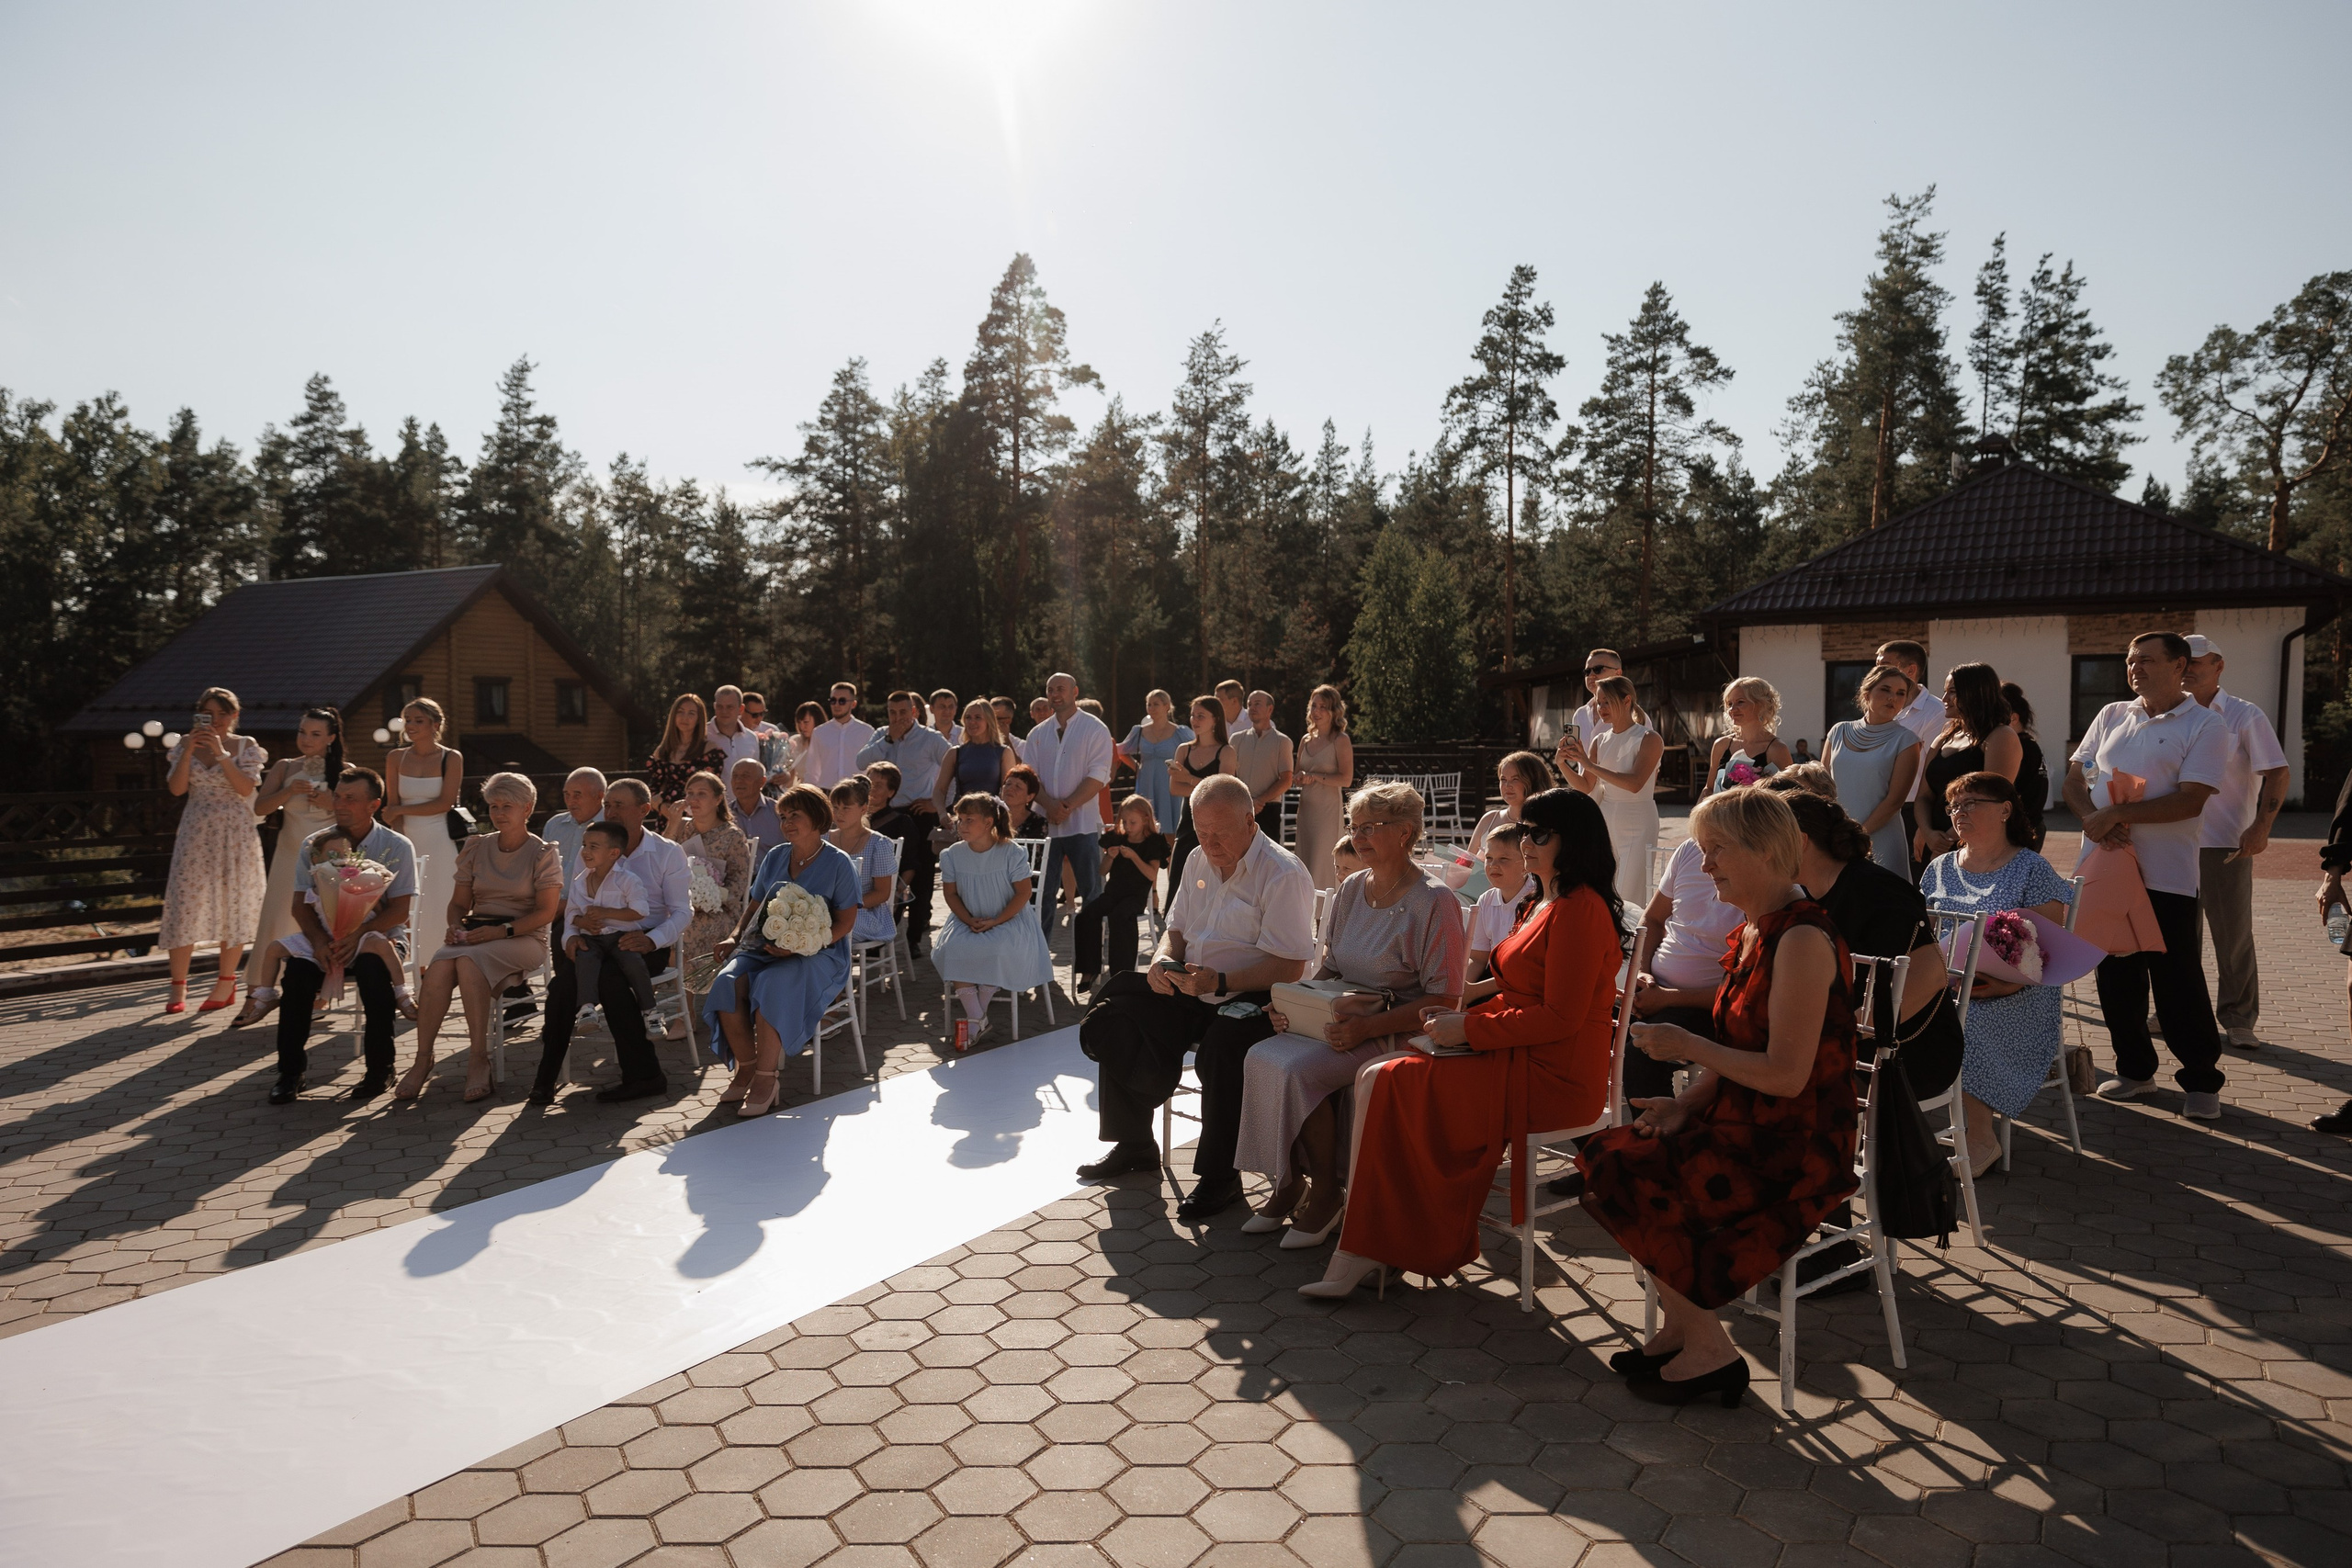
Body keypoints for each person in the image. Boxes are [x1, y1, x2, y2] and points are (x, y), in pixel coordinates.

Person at [1575, 787, 1860, 1406]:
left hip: (1797, 1143)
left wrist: (1688, 1046)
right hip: (1746, 1119)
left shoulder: (1802, 939)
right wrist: (1685, 1105)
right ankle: (1684, 1329)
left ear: (1767, 850)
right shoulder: (1755, 930)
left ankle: (1711, 1350)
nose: (1705, 867)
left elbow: (1787, 1075)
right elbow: (1742, 1051)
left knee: (1634, 1174)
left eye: (1718, 850)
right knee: (1607, 1155)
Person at [1300, 787, 1617, 1298]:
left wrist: (1467, 1029)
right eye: (1525, 830)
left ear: (1574, 840)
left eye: (1540, 834)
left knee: (1387, 1080)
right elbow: (1516, 994)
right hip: (1513, 1051)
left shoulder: (1580, 908)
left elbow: (1561, 1018)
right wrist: (1456, 1021)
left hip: (1552, 1074)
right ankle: (1372, 1239)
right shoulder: (1543, 900)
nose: (1526, 843)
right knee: (1379, 1077)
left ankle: (1374, 1244)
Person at [1076, 774, 1316, 1219]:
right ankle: (1135, 1143)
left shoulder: (1282, 872)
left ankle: (1221, 1178)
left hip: (1256, 995)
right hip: (1193, 984)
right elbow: (1177, 930)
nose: (1210, 843)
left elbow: (1290, 966)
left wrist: (1220, 981)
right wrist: (1162, 962)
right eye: (1201, 831)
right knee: (1118, 1011)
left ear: (1250, 821)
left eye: (1220, 833)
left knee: (1222, 1050)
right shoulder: (1196, 858)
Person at [1244, 782, 1468, 1248]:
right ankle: (1289, 1182)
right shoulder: (1350, 887)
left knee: (1297, 1069)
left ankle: (1328, 1193)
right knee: (1260, 1054)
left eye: (1370, 827)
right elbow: (1331, 966)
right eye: (1354, 826)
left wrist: (1368, 1027)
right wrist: (1293, 1003)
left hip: (1397, 1030)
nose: (1357, 837)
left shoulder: (1435, 901)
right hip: (1339, 1021)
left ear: (1405, 833)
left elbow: (1445, 1000)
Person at [2067, 632, 2230, 1118]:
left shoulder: (2206, 724)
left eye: (2147, 660)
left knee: (2177, 979)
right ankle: (2135, 1071)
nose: (2134, 668)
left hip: (2166, 876)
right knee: (2116, 975)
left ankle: (2201, 1081)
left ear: (2179, 665)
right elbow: (2075, 780)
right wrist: (2094, 820)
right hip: (2105, 867)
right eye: (2130, 660)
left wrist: (2117, 816)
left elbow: (2191, 799)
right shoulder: (2112, 714)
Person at [1768, 781, 1962, 1102]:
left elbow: (1930, 976)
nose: (1761, 854)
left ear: (1800, 841)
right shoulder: (1804, 893)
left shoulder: (1875, 890)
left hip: (1905, 1053)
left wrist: (1838, 1035)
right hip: (1849, 1044)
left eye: (1765, 843)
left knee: (1772, 1094)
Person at [1920, 773, 2075, 1175]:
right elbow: (1920, 934)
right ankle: (1904, 1128)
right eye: (1954, 806)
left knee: (1963, 1024)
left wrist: (2001, 985)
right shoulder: (1939, 867)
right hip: (1944, 983)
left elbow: (2046, 949)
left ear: (2005, 810)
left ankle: (1981, 1140)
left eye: (1971, 803)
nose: (1959, 812)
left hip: (2016, 993)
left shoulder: (2031, 868)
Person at [527, 778, 690, 1106]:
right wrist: (572, 936)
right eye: (607, 805)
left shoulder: (666, 852)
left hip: (642, 942)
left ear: (644, 810)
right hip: (596, 941)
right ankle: (546, 1079)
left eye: (619, 805)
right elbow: (574, 906)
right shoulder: (591, 848)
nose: (610, 811)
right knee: (562, 987)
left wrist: (652, 940)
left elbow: (682, 912)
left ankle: (644, 1077)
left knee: (610, 982)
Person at [402, 773, 565, 1102]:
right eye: (493, 806)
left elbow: (546, 913)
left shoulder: (542, 852)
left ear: (527, 809)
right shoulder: (477, 847)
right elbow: (458, 905)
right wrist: (454, 925)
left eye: (507, 806)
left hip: (524, 937)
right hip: (477, 933)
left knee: (467, 960)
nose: (499, 813)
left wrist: (501, 931)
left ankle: (479, 1058)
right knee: (439, 965)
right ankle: (422, 1059)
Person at [703, 784, 863, 1116]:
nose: (787, 823)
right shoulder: (776, 855)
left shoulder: (839, 863)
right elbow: (754, 907)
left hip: (819, 953)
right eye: (783, 817)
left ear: (817, 818)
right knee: (726, 982)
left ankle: (766, 1077)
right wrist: (734, 937)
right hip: (763, 946)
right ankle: (747, 1066)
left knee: (772, 984)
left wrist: (804, 944)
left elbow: (846, 922)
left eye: (795, 816)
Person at [268, 769, 419, 1104]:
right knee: (297, 973)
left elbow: (400, 911)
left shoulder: (396, 845)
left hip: (379, 939)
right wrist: (320, 942)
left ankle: (381, 1069)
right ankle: (290, 1073)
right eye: (337, 796)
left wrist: (359, 934)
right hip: (324, 938)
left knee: (372, 969)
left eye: (350, 799)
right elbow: (300, 905)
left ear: (374, 805)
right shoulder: (315, 844)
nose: (339, 804)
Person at [2184, 635, 2289, 1050]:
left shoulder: (2244, 715)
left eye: (2198, 662)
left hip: (2224, 843)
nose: (2188, 669)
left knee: (2232, 938)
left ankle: (2239, 1017)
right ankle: (2180, 1011)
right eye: (2183, 662)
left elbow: (2277, 772)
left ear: (2219, 666)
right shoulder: (2170, 713)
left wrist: (2261, 826)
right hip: (2171, 842)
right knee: (2177, 938)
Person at [236, 828, 415, 1032]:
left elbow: (378, 909)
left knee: (384, 946)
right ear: (316, 859)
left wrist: (377, 918)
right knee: (274, 948)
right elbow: (306, 909)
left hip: (359, 937)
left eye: (346, 854)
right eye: (332, 854)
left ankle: (401, 992)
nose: (340, 859)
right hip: (325, 938)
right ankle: (266, 994)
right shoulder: (316, 884)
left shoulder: (359, 881)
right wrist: (319, 935)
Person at [933, 792, 1058, 1044]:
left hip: (1009, 918)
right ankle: (977, 1017)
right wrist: (968, 919)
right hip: (967, 917)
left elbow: (1023, 893)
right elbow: (951, 894)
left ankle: (975, 1020)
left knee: (998, 948)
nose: (961, 825)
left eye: (969, 820)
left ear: (988, 822)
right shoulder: (952, 854)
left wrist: (996, 920)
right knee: (953, 947)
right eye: (960, 819)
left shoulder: (1011, 852)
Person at [244, 705, 345, 996]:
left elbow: (357, 816)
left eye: (315, 734)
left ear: (331, 738)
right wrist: (288, 791)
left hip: (328, 860)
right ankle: (258, 991)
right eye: (302, 732)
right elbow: (259, 808)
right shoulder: (285, 767)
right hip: (289, 855)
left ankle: (320, 992)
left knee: (323, 923)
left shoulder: (345, 770)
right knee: (276, 918)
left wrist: (331, 804)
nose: (306, 739)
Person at [1023, 673, 1115, 936]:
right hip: (1045, 827)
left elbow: (1098, 776)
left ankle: (1092, 955)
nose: (1055, 694)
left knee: (1092, 893)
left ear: (1075, 692)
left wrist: (1065, 807)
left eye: (1060, 689)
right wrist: (1050, 806)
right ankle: (1039, 957)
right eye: (1050, 689)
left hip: (1083, 825)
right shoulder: (1037, 733)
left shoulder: (1095, 729)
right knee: (1042, 895)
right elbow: (1030, 777)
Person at [860, 691, 951, 952]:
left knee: (921, 875)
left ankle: (914, 938)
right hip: (886, 814)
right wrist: (889, 739)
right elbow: (861, 761)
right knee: (884, 874)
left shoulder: (931, 738)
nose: (898, 717)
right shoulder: (882, 735)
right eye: (892, 712)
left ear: (914, 712)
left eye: (903, 712)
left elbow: (952, 769)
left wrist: (939, 804)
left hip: (920, 813)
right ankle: (880, 932)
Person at [1564, 675, 1662, 911]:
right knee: (1604, 885)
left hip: (1638, 820)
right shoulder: (1599, 740)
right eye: (1599, 703)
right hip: (1605, 819)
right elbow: (1586, 786)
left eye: (1607, 702)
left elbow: (1635, 783)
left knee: (1630, 892)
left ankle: (1629, 933)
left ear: (1627, 700)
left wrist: (1590, 765)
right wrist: (1563, 764)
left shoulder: (1649, 738)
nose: (1601, 708)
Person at [1915, 663, 2024, 864]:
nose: (1944, 699)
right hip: (1934, 844)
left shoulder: (2000, 736)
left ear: (1977, 693)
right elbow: (1923, 796)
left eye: (1953, 692)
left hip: (1975, 847)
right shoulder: (1944, 738)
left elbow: (1991, 798)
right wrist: (1927, 831)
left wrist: (1947, 840)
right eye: (1945, 691)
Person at [671, 770, 755, 1023]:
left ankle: (689, 1014)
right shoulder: (684, 828)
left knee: (686, 928)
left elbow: (740, 883)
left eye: (702, 794)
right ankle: (683, 1011)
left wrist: (709, 898)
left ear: (718, 799)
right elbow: (661, 862)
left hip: (721, 909)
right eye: (690, 793)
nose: (693, 799)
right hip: (682, 904)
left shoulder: (732, 835)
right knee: (668, 924)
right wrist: (672, 824)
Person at [1824, 666, 1922, 879]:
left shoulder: (1907, 740)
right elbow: (1823, 788)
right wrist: (1833, 833)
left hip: (1882, 839)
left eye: (1900, 693)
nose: (1892, 698)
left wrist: (1856, 836)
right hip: (1836, 837)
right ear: (1866, 693)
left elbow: (1895, 801)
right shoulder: (1838, 731)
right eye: (1885, 690)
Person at [1074, 796, 1170, 995]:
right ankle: (1089, 970)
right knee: (1086, 915)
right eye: (1124, 822)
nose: (1127, 826)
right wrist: (1110, 857)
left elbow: (1151, 875)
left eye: (1132, 822)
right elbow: (1102, 871)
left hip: (1135, 897)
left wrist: (1134, 856)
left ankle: (1120, 975)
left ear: (1145, 819)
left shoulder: (1153, 842)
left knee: (1120, 917)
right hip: (1113, 893)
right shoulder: (1118, 838)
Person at [1876, 639, 1945, 870]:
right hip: (1880, 808)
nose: (1876, 672)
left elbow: (1935, 773)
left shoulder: (1936, 712)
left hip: (1912, 811)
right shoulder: (1881, 707)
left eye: (1884, 665)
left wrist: (1924, 826)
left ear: (1910, 670)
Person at [1167, 695, 1239, 882]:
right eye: (1192, 715)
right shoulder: (1183, 749)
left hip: (1217, 828)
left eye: (1201, 716)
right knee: (1177, 882)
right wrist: (1204, 787)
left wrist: (1188, 779)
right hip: (1187, 825)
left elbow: (1223, 791)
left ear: (1215, 719)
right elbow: (1175, 788)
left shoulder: (1227, 751)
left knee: (1213, 884)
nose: (1194, 720)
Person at [1120, 689, 1194, 866]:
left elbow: (1194, 752)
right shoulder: (1139, 731)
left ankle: (1173, 880)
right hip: (1146, 786)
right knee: (1145, 835)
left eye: (1156, 704)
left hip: (1170, 787)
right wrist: (1138, 768)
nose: (1151, 708)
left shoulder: (1180, 732)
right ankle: (1149, 883)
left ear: (1167, 706)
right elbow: (1121, 751)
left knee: (1172, 837)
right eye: (1149, 704)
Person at [1290, 685, 1353, 889]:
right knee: (1305, 859)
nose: (1316, 711)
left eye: (1323, 707)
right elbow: (1296, 774)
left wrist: (1315, 776)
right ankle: (1305, 905)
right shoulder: (1306, 739)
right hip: (1306, 808)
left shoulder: (1341, 740)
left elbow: (1346, 779)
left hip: (1327, 809)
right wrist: (1300, 778)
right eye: (1314, 706)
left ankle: (1324, 907)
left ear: (1334, 710)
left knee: (1323, 860)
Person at [827, 775, 900, 950]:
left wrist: (845, 907)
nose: (839, 813)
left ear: (863, 809)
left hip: (864, 913)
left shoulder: (878, 844)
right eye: (835, 807)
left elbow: (882, 893)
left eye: (846, 808)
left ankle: (830, 963)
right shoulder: (824, 839)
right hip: (827, 909)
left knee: (827, 925)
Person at [643, 693, 723, 836]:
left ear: (699, 719)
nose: (685, 717)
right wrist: (666, 810)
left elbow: (713, 789)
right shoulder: (662, 751)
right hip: (667, 820)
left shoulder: (709, 751)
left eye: (691, 713)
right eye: (680, 712)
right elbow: (653, 791)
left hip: (699, 821)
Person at [1701, 678, 1793, 796]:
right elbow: (1709, 788)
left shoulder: (1777, 749)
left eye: (1740, 702)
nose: (1732, 709)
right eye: (1730, 704)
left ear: (1761, 705)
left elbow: (1791, 793)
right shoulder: (1721, 745)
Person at [1466, 824, 1530, 984]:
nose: (1493, 865)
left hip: (1522, 984)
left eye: (1503, 859)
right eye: (1489, 858)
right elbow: (1478, 958)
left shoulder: (1537, 899)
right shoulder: (1486, 900)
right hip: (1493, 978)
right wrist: (1462, 991)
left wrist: (1476, 991)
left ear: (1525, 863)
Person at [1232, 689, 1296, 843]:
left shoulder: (1282, 741)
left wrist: (1259, 801)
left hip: (1268, 810)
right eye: (1249, 704)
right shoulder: (1236, 740)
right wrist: (1245, 802)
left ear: (1270, 709)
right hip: (1239, 808)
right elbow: (1230, 776)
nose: (1252, 708)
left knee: (1266, 856)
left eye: (1257, 704)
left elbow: (1286, 780)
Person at [935, 699, 1013, 814]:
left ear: (989, 720)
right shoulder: (955, 752)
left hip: (990, 816)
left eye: (978, 717)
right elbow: (939, 790)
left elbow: (1008, 791)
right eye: (968, 718)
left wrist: (1003, 816)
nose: (972, 722)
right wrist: (942, 814)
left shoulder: (1004, 752)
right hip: (962, 816)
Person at [1999, 682, 2051, 849]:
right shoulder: (2029, 744)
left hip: (2020, 831)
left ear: (2013, 718)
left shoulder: (2019, 747)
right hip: (2030, 825)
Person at [807, 682, 877, 789]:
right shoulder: (819, 733)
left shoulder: (867, 732)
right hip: (826, 792)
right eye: (833, 700)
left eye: (842, 701)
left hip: (857, 792)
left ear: (853, 704)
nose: (836, 705)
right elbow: (812, 771)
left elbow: (873, 768)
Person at [545, 768, 606, 884]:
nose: (570, 801)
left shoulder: (611, 828)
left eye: (577, 795)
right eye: (567, 795)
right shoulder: (554, 825)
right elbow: (542, 869)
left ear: (599, 796)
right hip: (554, 894)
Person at [706, 685, 764, 778]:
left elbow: (755, 774)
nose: (724, 711)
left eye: (730, 707)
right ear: (714, 706)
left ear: (741, 709)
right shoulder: (703, 734)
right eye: (720, 707)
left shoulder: (751, 738)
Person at [727, 757, 782, 852]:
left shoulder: (779, 813)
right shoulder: (723, 815)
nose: (738, 780)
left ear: (762, 782)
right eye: (735, 776)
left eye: (745, 776)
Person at [1001, 764, 1049, 840]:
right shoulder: (990, 817)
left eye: (1018, 786)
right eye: (1008, 784)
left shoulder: (1038, 823)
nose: (1010, 788)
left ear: (1030, 797)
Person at [990, 695, 1025, 760]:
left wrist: (1006, 740)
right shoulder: (977, 741)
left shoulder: (1020, 746)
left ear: (1008, 721)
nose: (990, 721)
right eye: (989, 717)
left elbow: (1020, 765)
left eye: (996, 718)